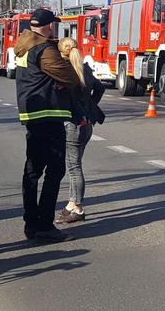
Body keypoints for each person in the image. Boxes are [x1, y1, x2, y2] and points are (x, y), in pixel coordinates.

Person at [14, 8, 81, 243]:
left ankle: (31, 222)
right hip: (48, 116)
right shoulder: (43, 49)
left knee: (32, 171)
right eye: (51, 24)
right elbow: (70, 77)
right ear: (45, 25)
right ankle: (44, 225)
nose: (53, 28)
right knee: (55, 171)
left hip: (33, 116)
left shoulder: (24, 44)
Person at [55, 37, 105, 224]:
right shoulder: (84, 68)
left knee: (74, 168)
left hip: (73, 124)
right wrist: (90, 107)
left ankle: (78, 208)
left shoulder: (65, 71)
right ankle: (71, 204)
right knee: (75, 165)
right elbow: (100, 88)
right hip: (87, 124)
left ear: (61, 53)